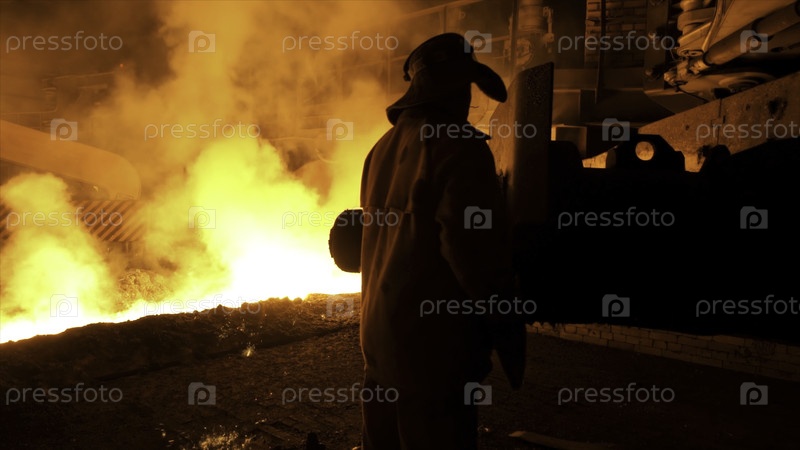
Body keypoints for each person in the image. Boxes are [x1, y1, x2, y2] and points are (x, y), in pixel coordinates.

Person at [359, 33, 526, 450]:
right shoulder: (459, 147)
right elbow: (472, 255)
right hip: (432, 358)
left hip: (379, 349)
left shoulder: (379, 150)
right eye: (465, 87)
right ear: (454, 88)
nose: (468, 99)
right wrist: (508, 331)